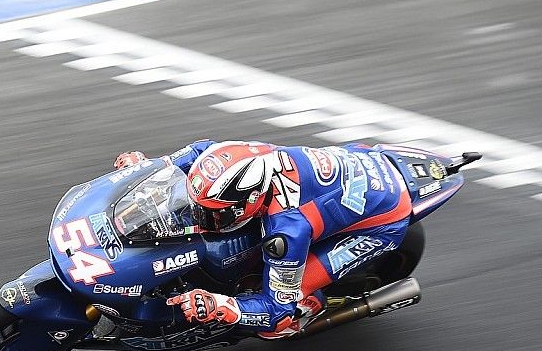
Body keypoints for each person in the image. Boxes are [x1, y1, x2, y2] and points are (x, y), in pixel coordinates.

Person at [113, 139, 412, 338]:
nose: (202, 220)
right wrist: (149, 166)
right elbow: (199, 151)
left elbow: (274, 310)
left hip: (382, 220)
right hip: (360, 160)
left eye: (215, 215)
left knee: (278, 325)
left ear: (253, 198)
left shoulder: (287, 230)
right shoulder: (235, 155)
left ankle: (314, 305)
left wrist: (221, 306)